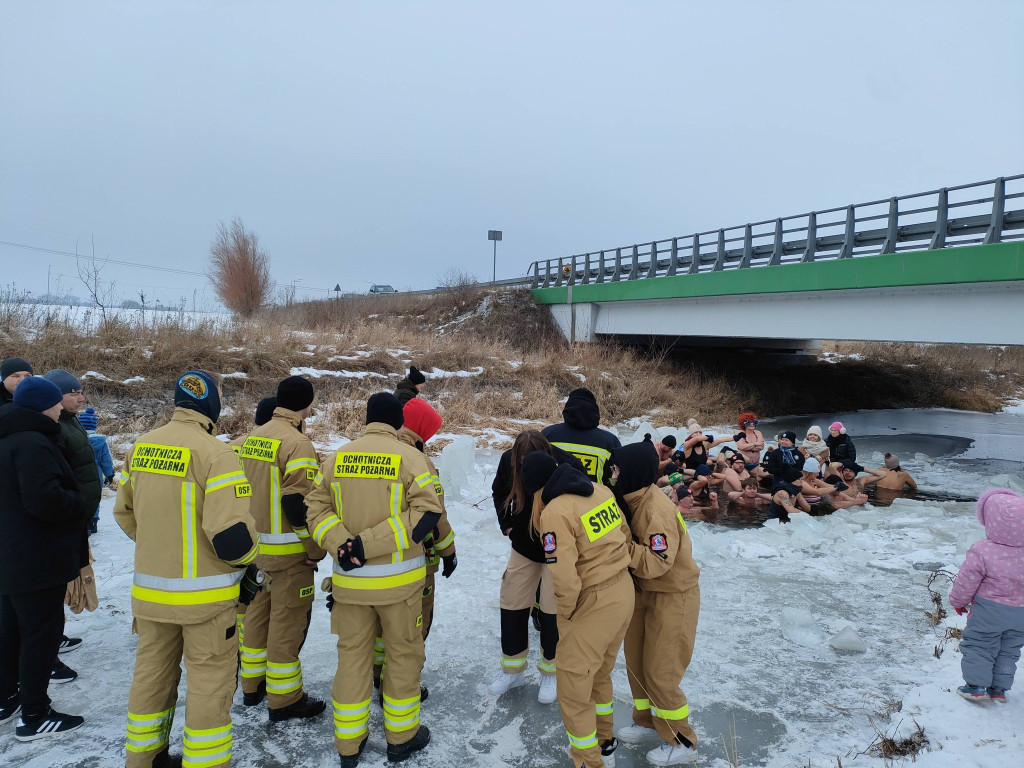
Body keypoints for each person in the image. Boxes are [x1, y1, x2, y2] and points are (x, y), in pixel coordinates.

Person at [114, 370, 262, 768]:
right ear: (211, 402)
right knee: (209, 687)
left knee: (150, 680)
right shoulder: (216, 454)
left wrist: (161, 549)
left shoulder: (140, 447)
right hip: (207, 603)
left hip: (150, 599)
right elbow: (231, 538)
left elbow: (125, 513)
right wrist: (252, 558)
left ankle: (144, 759)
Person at [305, 393, 444, 767]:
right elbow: (428, 514)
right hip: (399, 587)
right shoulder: (412, 459)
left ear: (366, 419)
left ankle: (349, 744)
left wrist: (342, 546)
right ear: (399, 421)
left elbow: (314, 509)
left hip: (350, 586)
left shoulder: (338, 457)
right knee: (403, 656)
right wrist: (366, 545)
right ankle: (402, 737)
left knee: (352, 659)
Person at [524, 451, 634, 768]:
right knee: (599, 674)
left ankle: (588, 760)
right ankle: (604, 741)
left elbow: (564, 578)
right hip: (623, 591)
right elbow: (625, 535)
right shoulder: (599, 490)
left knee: (573, 686)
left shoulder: (554, 512)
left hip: (593, 603)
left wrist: (567, 616)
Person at [0, 377, 89, 740]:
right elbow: (45, 500)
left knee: (10, 631)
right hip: (36, 558)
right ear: (46, 406)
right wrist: (79, 503)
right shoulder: (33, 443)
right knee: (41, 636)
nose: (61, 407)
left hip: (10, 554)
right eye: (57, 402)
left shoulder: (7, 438)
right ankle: (35, 714)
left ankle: (7, 699)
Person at [236, 376, 327, 721]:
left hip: (256, 552)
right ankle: (285, 699)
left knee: (258, 620)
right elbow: (295, 504)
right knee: (287, 628)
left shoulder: (251, 439)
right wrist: (312, 546)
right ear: (306, 405)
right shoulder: (296, 442)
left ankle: (252, 686)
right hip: (289, 555)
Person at [611, 442, 701, 766]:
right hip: (643, 592)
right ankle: (647, 721)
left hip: (673, 595)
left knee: (661, 670)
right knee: (637, 663)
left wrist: (623, 547)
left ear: (632, 472)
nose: (612, 475)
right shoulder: (628, 500)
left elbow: (657, 561)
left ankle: (681, 740)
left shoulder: (656, 509)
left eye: (617, 470)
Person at [490, 430, 583, 704]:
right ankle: (513, 668)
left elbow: (581, 504)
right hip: (523, 547)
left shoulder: (568, 465)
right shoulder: (508, 461)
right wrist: (505, 525)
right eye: (522, 462)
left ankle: (551, 672)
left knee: (553, 612)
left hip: (558, 551)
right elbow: (498, 492)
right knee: (512, 602)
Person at [379, 396, 457, 695]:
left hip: (374, 556)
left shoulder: (378, 450)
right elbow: (435, 516)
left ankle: (377, 672)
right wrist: (448, 553)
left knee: (379, 625)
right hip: (414, 559)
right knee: (412, 627)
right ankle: (401, 684)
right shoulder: (418, 460)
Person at [43, 370, 98, 682]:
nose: (81, 397)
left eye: (81, 391)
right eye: (74, 393)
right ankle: (44, 650)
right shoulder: (53, 427)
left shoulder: (68, 420)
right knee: (55, 586)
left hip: (79, 515)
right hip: (67, 518)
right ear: (55, 398)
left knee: (66, 580)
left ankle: (54, 636)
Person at [949, 488, 1024, 703]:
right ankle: (999, 689)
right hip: (1021, 615)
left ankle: (976, 686)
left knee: (980, 644)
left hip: (990, 610)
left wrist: (958, 601)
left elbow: (967, 580)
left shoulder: (983, 550)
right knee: (1009, 650)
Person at [542, 387, 621, 484]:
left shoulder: (548, 435)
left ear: (568, 409)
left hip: (555, 498)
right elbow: (615, 478)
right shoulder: (610, 442)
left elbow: (535, 471)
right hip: (597, 498)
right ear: (594, 411)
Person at [78, 407, 114, 535]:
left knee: (80, 497)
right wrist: (109, 474)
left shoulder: (76, 438)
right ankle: (93, 522)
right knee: (94, 497)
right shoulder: (101, 441)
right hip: (96, 473)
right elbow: (106, 459)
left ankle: (83, 522)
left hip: (79, 473)